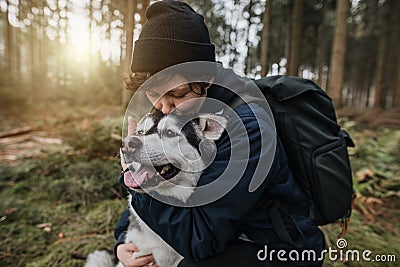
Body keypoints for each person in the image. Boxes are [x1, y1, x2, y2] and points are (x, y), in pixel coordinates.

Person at [115, 1, 324, 267]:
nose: (164, 107)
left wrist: (143, 187)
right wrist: (124, 241)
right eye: (154, 93)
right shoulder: (168, 114)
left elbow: (201, 239)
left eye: (178, 94)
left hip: (278, 250)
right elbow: (148, 184)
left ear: (207, 80)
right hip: (227, 237)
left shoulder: (248, 130)